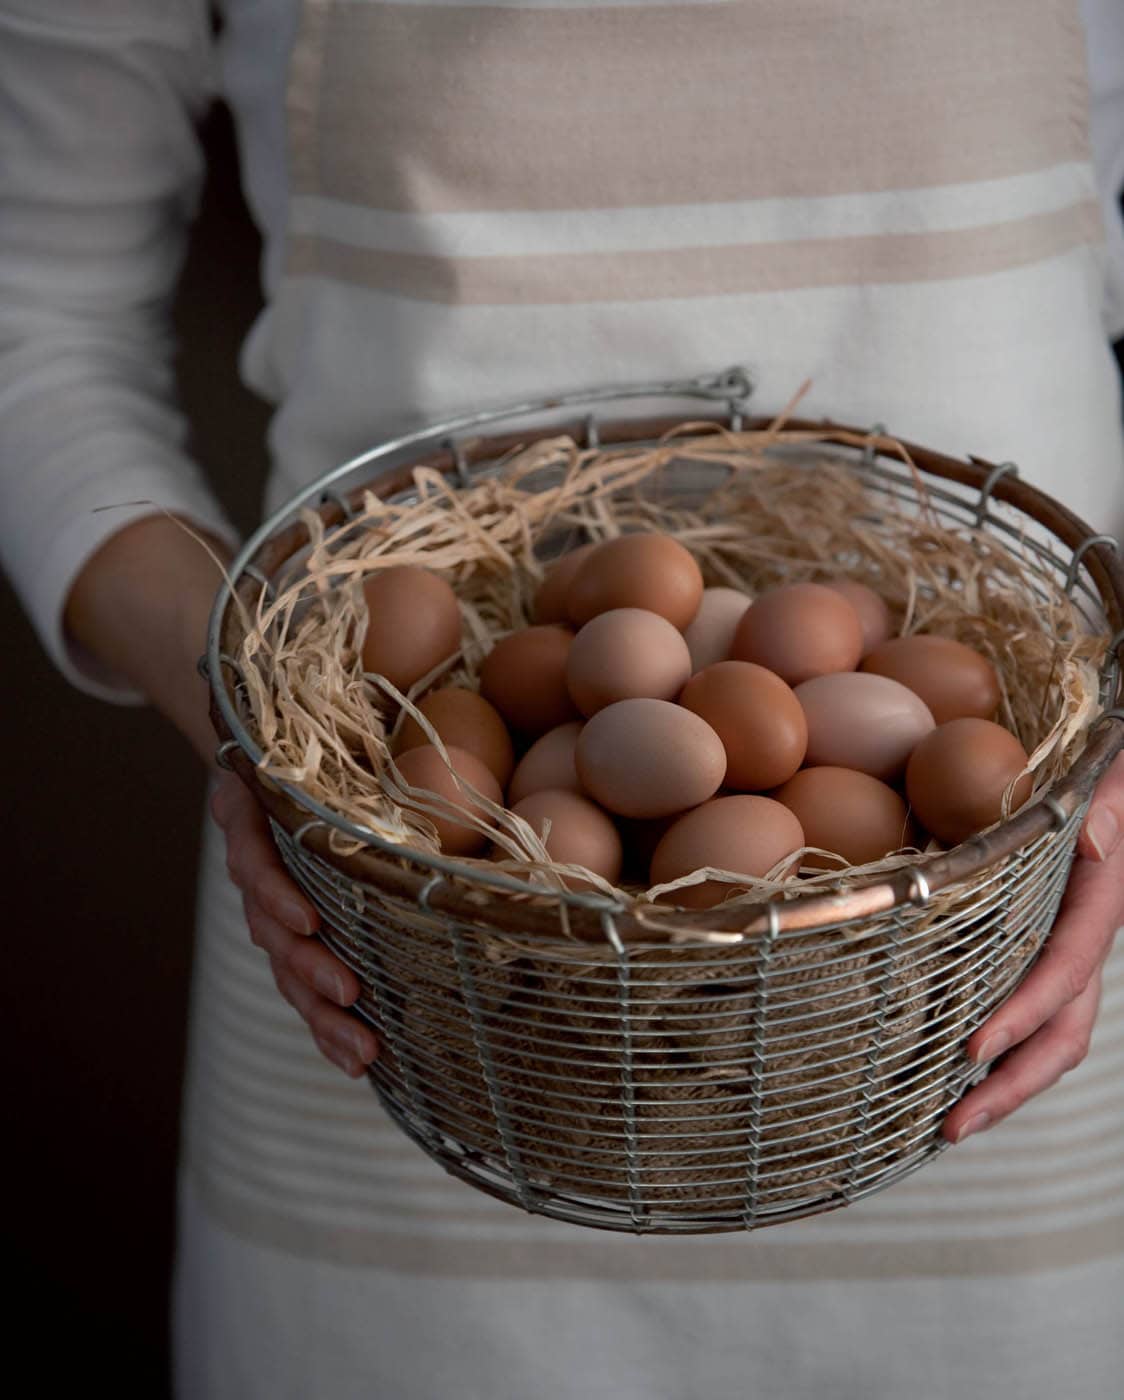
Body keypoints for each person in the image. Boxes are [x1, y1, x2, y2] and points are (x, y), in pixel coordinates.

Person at [2, 1, 1122, 1396]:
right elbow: (25, 312)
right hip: (408, 962)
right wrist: (262, 725)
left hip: (981, 980)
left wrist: (1097, 744)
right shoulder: (429, 797)